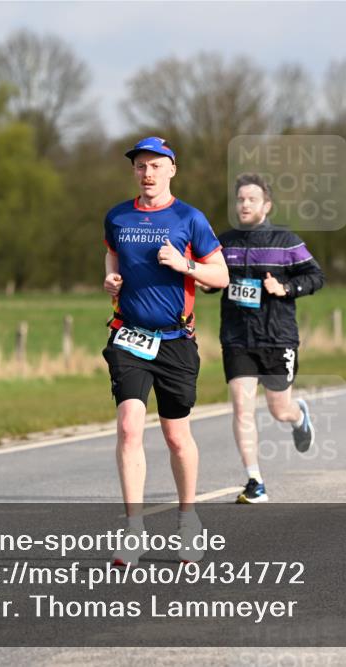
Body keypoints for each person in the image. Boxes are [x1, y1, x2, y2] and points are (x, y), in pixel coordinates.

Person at [102, 137, 229, 565]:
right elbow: (112, 255)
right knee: (128, 427)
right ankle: (133, 530)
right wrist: (110, 279)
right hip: (129, 336)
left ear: (172, 169)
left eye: (156, 165)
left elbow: (221, 276)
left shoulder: (189, 218)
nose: (148, 173)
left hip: (176, 340)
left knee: (176, 437)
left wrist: (184, 265)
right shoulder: (117, 216)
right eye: (141, 166)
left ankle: (188, 520)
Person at [210, 173, 324, 504]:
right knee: (241, 406)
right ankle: (254, 480)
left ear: (267, 205)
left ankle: (298, 416)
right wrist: (207, 283)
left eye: (252, 199)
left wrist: (285, 288)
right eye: (240, 199)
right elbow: (213, 277)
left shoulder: (286, 242)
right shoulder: (225, 243)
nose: (245, 204)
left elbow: (316, 276)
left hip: (277, 337)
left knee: (279, 409)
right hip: (237, 337)